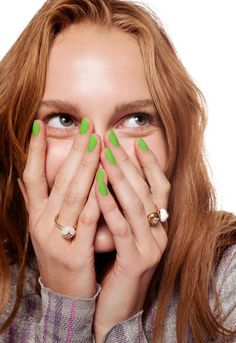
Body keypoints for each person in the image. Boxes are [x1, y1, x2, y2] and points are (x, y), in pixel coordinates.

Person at [0, 0, 235, 341]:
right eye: (63, 120)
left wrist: (118, 326)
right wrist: (67, 309)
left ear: (174, 142)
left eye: (136, 119)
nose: (97, 159)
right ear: (17, 139)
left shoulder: (227, 277)